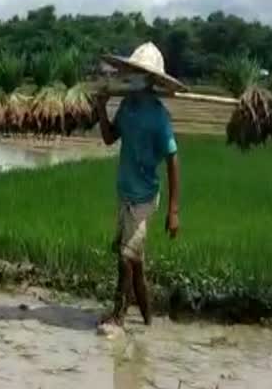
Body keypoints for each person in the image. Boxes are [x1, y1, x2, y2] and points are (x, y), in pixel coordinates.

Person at [95, 42, 182, 328]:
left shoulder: (159, 117)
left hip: (144, 199)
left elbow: (173, 160)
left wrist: (173, 211)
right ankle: (148, 322)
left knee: (125, 259)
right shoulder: (127, 106)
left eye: (137, 72)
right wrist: (101, 108)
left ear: (150, 80)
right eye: (130, 71)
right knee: (136, 265)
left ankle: (118, 316)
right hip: (125, 194)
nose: (131, 76)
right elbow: (109, 138)